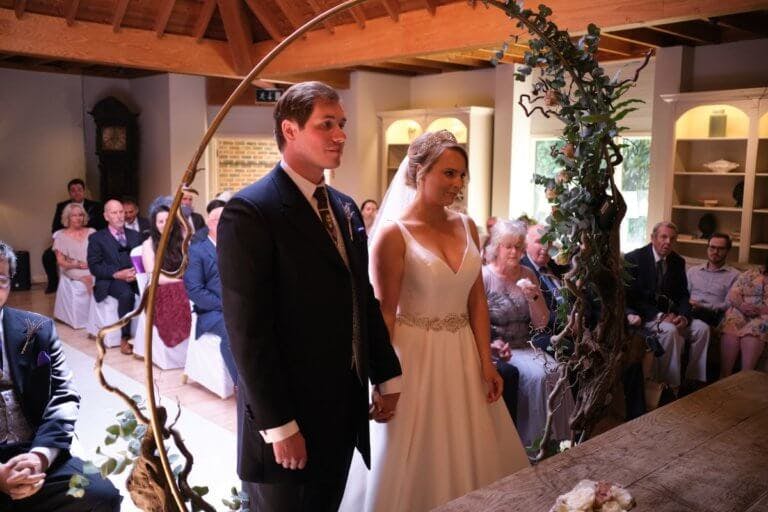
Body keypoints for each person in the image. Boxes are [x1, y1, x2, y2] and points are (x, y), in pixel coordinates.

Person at [217, 81, 403, 512]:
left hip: (343, 410)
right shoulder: (251, 211)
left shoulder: (345, 207)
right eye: (326, 124)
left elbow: (362, 298)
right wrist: (280, 425)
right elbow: (248, 332)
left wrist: (386, 375)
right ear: (290, 129)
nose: (341, 135)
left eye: (342, 124)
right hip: (289, 417)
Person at [358, 130, 529, 512]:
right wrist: (382, 380)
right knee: (415, 454)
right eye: (448, 173)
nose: (458, 183)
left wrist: (486, 362)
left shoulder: (466, 225)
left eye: (461, 175)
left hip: (462, 354)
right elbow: (385, 313)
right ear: (420, 172)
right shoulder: (393, 234)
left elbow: (477, 301)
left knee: (472, 447)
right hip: (414, 357)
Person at [0, 241, 121, 511]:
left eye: (0, 280)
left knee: (102, 494)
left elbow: (63, 395)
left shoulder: (37, 328)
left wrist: (40, 456)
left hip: (33, 450)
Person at [483, 219, 575, 447]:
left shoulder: (528, 274)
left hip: (525, 346)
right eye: (508, 246)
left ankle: (558, 442)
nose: (514, 252)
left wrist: (533, 297)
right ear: (496, 247)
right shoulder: (484, 277)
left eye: (518, 247)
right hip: (496, 348)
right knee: (538, 377)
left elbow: (541, 323)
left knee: (557, 371)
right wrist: (490, 345)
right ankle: (530, 444)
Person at [624, 221, 710, 391]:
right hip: (646, 316)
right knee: (670, 331)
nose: (668, 242)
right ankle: (669, 387)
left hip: (673, 315)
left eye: (672, 239)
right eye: (663, 237)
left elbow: (683, 295)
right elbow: (632, 298)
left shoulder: (678, 261)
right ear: (653, 238)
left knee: (702, 329)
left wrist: (684, 317)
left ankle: (694, 381)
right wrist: (660, 316)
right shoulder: (634, 259)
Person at [183, 200, 236, 382]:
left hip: (239, 307)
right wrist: (226, 305)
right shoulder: (197, 251)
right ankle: (240, 387)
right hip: (212, 312)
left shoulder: (237, 247)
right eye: (222, 220)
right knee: (233, 332)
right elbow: (194, 290)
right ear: (210, 223)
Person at [86, 199, 140, 355]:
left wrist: (137, 273)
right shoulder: (96, 238)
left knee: (154, 290)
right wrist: (117, 274)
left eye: (121, 212)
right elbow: (94, 266)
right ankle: (125, 338)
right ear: (106, 216)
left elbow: (141, 258)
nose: (119, 216)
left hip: (135, 277)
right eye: (114, 212)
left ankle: (151, 338)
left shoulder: (135, 235)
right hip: (110, 280)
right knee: (126, 294)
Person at [140, 197, 191, 349]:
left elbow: (192, 264)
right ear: (154, 225)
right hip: (160, 287)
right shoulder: (149, 244)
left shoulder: (182, 239)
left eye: (168, 220)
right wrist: (180, 281)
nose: (165, 224)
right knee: (180, 291)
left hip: (184, 282)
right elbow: (154, 276)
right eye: (160, 221)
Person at [43, 179, 105, 293]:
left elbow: (102, 227)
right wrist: (65, 237)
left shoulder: (96, 206)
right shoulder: (61, 206)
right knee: (47, 256)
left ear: (84, 191)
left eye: (79, 190)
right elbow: (55, 228)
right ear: (69, 193)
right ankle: (53, 284)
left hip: (89, 240)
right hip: (67, 240)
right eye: (73, 190)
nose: (77, 193)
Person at [521, 224, 570, 352]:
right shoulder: (522, 271)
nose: (544, 246)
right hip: (546, 334)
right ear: (526, 244)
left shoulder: (557, 267)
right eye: (539, 242)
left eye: (548, 242)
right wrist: (568, 323)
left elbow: (576, 297)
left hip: (576, 324)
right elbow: (533, 315)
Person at [720, 255, 768, 377]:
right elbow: (733, 293)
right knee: (732, 322)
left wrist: (760, 310)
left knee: (756, 328)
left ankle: (744, 377)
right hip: (741, 309)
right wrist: (741, 306)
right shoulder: (750, 273)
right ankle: (724, 376)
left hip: (764, 315)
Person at [686, 233, 739, 327]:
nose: (715, 252)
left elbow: (728, 304)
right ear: (707, 248)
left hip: (712, 314)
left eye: (721, 249)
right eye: (712, 247)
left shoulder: (735, 276)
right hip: (689, 309)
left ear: (728, 251)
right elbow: (684, 295)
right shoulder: (693, 271)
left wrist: (702, 306)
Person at [52, 203, 96, 294]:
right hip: (72, 268)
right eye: (74, 215)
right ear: (68, 218)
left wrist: (92, 264)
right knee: (89, 279)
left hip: (92, 266)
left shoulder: (92, 232)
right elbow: (61, 262)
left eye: (80, 215)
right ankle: (91, 303)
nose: (78, 218)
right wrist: (78, 265)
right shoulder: (61, 237)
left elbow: (100, 254)